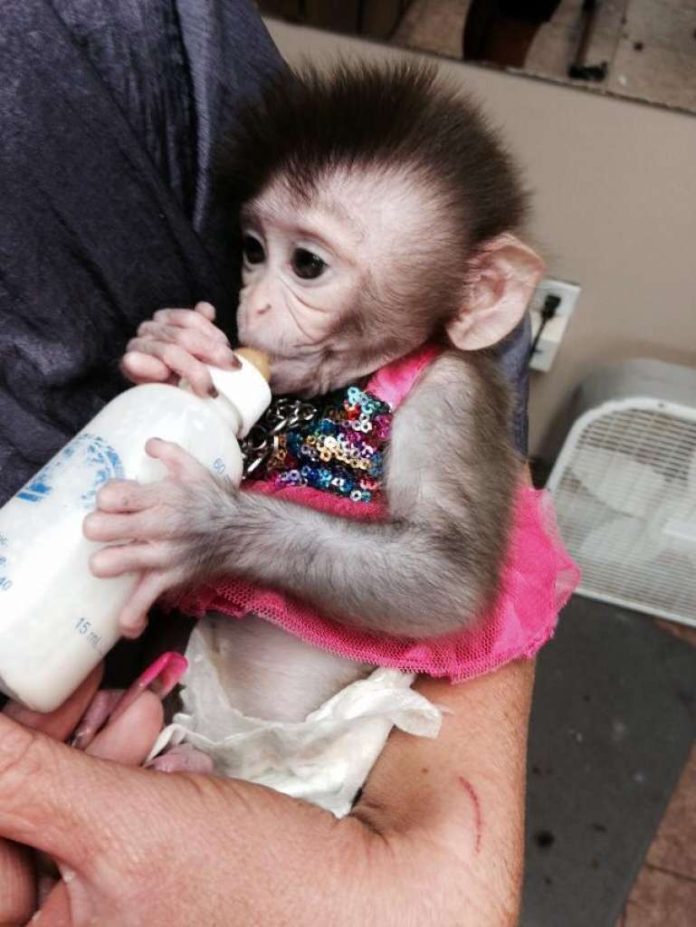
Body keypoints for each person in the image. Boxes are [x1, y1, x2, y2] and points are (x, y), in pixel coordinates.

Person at [0, 1, 537, 923]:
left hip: (322, 788)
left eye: (311, 265)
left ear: (479, 295)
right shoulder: (309, 363)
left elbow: (447, 584)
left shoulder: (441, 392)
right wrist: (170, 383)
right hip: (182, 718)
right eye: (254, 251)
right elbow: (165, 476)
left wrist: (228, 528)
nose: (254, 307)